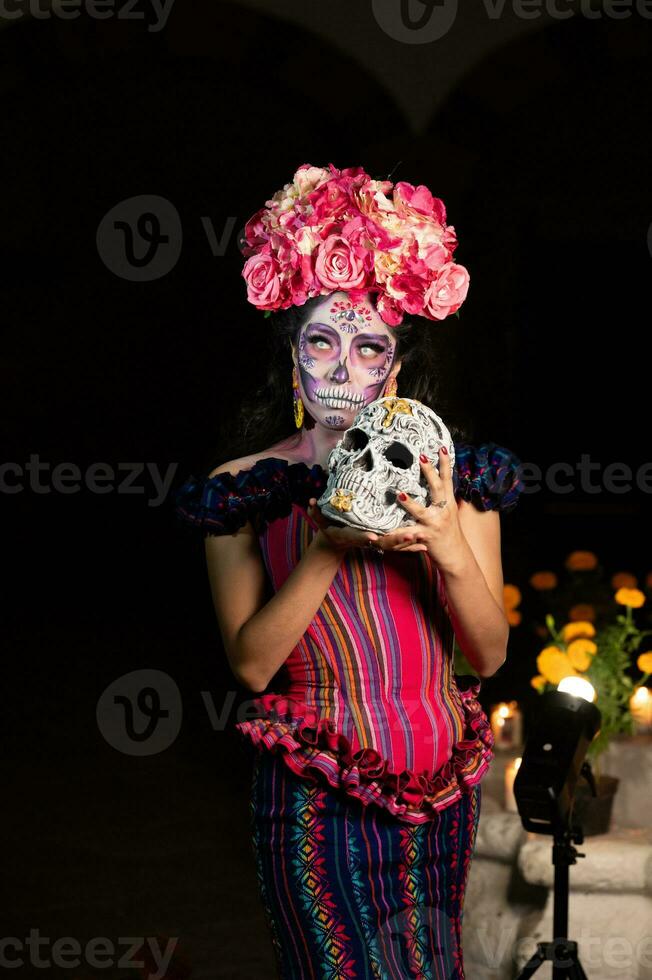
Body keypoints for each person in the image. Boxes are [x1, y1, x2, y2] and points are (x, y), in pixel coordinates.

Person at [174, 163, 524, 979]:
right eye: (320, 342)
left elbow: (490, 656)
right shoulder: (243, 488)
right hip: (316, 804)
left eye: (369, 346)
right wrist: (330, 542)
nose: (340, 368)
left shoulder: (458, 481)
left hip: (443, 796)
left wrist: (445, 544)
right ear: (291, 360)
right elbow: (253, 664)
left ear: (397, 368)